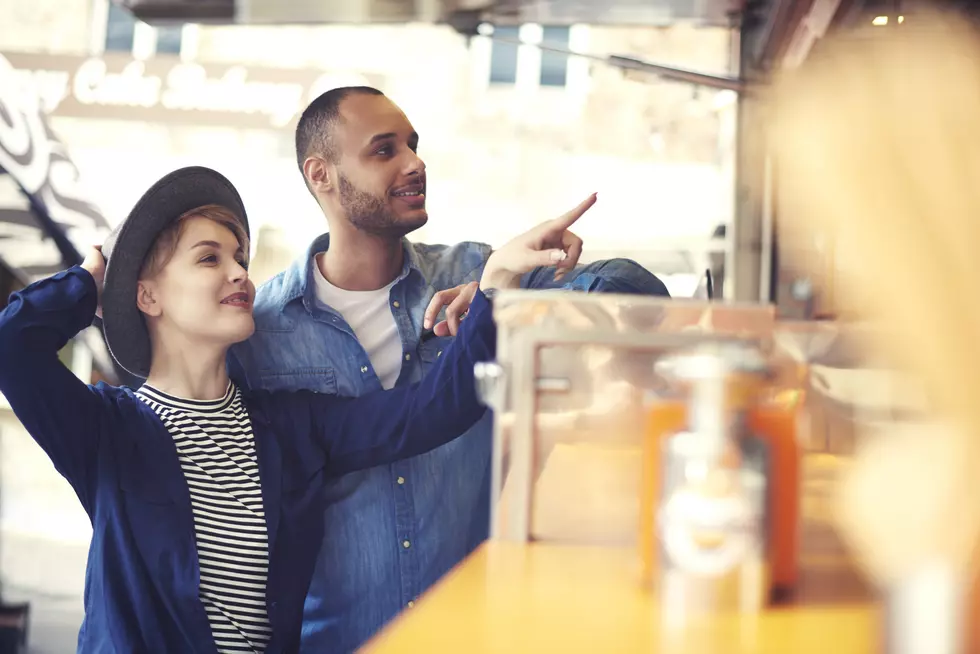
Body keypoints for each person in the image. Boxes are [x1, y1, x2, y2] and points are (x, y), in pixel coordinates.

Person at [0, 165, 586, 653]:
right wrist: (89, 282)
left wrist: (494, 285)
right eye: (209, 259)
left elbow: (431, 411)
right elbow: (11, 344)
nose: (239, 273)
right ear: (147, 295)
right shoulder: (106, 431)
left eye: (240, 258)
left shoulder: (290, 426)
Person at [228, 86, 672, 652]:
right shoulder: (261, 334)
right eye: (384, 151)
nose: (416, 163)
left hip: (476, 635)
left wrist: (504, 296)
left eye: (413, 145)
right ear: (322, 174)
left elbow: (642, 298)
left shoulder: (481, 272)